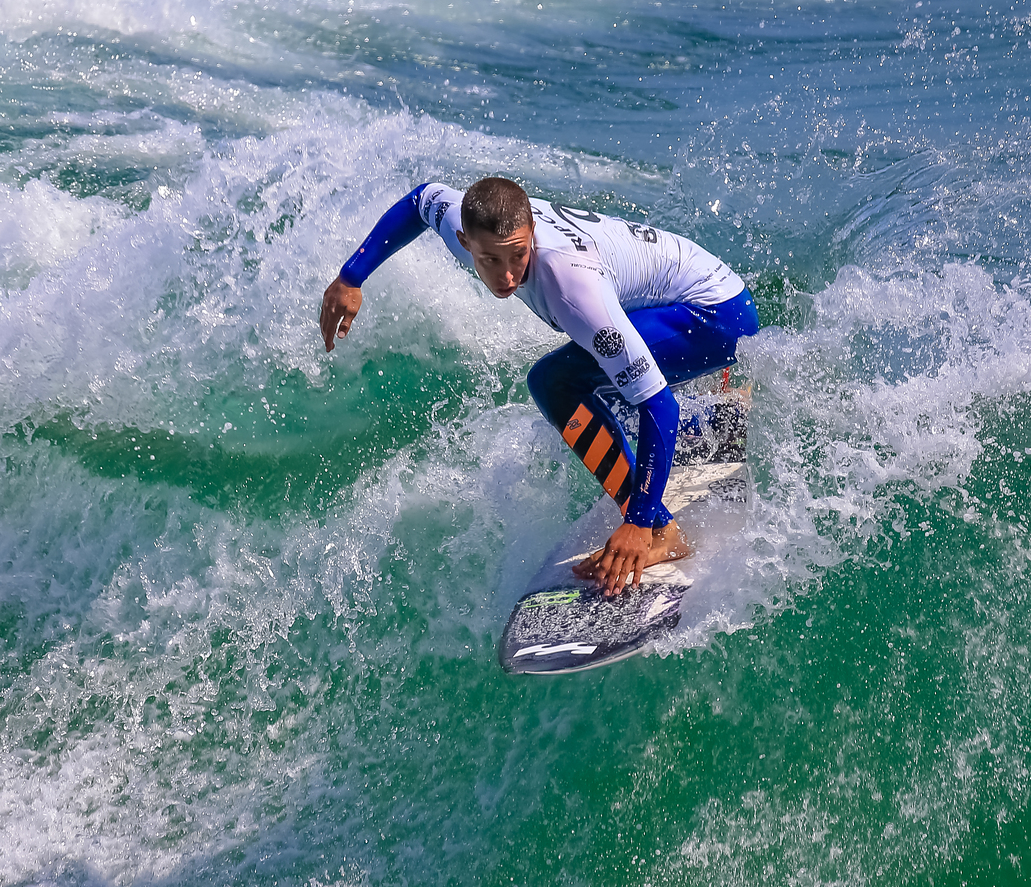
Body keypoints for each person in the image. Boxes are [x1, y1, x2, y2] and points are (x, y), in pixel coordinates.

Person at [319, 178, 758, 596]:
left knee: (556, 382)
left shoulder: (572, 291)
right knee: (603, 378)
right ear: (465, 242)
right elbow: (421, 200)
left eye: (517, 255)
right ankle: (709, 411)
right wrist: (350, 277)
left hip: (716, 314)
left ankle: (661, 531)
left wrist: (638, 524)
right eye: (490, 260)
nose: (507, 276)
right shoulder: (463, 223)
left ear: (531, 231)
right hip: (679, 293)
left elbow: (658, 406)